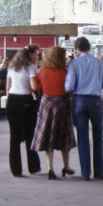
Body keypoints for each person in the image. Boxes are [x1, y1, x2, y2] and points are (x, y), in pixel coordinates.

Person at [65, 37, 103, 181]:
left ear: (77, 49)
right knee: (98, 137)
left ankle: (85, 172)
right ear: (89, 48)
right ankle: (99, 171)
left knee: (82, 137)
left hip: (79, 101)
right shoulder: (99, 63)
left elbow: (69, 86)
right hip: (96, 101)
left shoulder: (74, 63)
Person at [31, 46, 76, 180]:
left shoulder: (42, 71)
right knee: (64, 136)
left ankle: (50, 168)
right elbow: (70, 89)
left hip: (46, 104)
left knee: (48, 135)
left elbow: (37, 87)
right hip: (62, 104)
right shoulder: (65, 72)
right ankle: (66, 166)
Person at [5, 45, 41, 177]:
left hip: (12, 100)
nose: (37, 57)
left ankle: (16, 169)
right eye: (36, 54)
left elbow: (8, 87)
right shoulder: (31, 67)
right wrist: (39, 86)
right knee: (29, 135)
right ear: (30, 55)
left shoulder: (12, 67)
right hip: (26, 100)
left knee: (14, 137)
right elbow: (33, 86)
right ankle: (33, 166)